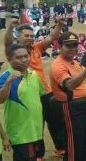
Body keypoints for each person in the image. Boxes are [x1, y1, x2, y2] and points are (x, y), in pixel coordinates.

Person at [5, 17, 67, 158]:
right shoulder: (14, 51)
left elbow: (51, 37)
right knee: (37, 123)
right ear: (18, 36)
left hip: (46, 91)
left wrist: (59, 25)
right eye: (26, 36)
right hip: (28, 92)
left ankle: (60, 147)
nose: (30, 38)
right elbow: (7, 43)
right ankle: (38, 153)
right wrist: (9, 28)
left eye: (32, 35)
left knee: (55, 120)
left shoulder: (37, 47)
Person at [50, 31, 86, 161]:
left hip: (83, 105)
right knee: (74, 145)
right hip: (69, 107)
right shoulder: (58, 65)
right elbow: (70, 85)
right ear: (60, 46)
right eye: (68, 46)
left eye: (74, 45)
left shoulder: (75, 62)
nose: (73, 49)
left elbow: (82, 87)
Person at [0, 44, 46, 161]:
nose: (24, 60)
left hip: (35, 129)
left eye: (26, 56)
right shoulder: (6, 77)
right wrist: (9, 82)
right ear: (9, 59)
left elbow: (41, 95)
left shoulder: (33, 74)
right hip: (20, 132)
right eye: (18, 57)